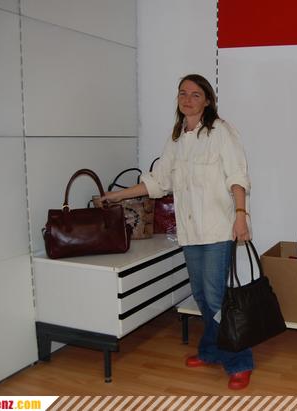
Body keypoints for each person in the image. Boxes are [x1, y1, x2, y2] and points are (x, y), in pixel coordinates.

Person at [101, 74, 254, 390]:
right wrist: (116, 196)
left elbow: (237, 177)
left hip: (217, 229)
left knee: (215, 297)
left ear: (207, 100)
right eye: (183, 93)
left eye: (195, 94)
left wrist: (241, 215)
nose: (188, 99)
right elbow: (159, 182)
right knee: (201, 295)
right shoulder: (176, 139)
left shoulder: (221, 132)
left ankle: (240, 361)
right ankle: (211, 350)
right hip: (190, 232)